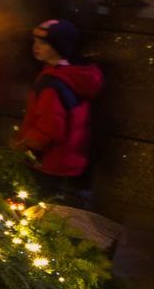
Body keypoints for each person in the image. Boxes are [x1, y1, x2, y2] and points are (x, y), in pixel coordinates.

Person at [11, 18, 101, 193]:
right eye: (35, 41)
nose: (36, 47)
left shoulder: (52, 83)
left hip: (51, 161)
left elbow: (50, 124)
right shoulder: (74, 74)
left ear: (60, 47)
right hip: (71, 158)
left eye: (43, 43)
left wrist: (25, 143)